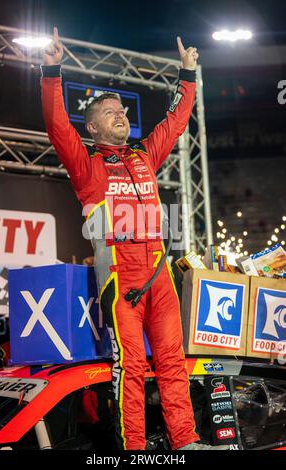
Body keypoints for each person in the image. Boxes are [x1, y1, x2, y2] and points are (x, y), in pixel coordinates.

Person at [41, 27, 228, 451]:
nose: (120, 113)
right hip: (121, 281)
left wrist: (187, 74)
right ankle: (135, 450)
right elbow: (56, 126)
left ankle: (185, 441)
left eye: (122, 109)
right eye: (109, 111)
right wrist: (51, 69)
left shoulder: (144, 155)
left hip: (159, 275)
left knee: (172, 363)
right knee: (131, 368)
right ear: (91, 127)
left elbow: (176, 123)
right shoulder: (87, 166)